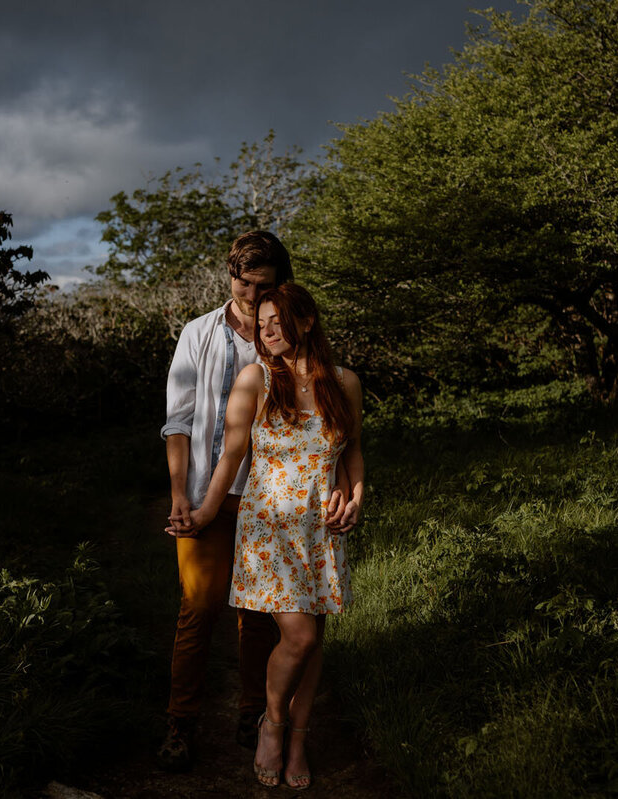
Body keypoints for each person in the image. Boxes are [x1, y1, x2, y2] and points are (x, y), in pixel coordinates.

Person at [184, 283, 364, 790]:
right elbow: (232, 456)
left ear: (306, 322)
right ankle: (272, 724)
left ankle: (299, 742)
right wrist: (204, 514)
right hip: (270, 530)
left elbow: (350, 454)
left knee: (312, 642)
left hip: (322, 530)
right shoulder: (255, 379)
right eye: (261, 322)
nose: (266, 330)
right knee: (299, 635)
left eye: (276, 320)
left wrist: (354, 499)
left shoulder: (344, 382)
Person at [156, 230, 292, 772]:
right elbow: (178, 420)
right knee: (198, 609)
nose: (250, 295)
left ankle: (253, 713)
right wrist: (178, 496)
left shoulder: (286, 334)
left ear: (279, 283)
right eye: (242, 281)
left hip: (268, 498)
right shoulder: (198, 333)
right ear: (229, 274)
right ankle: (180, 722)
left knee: (257, 614)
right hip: (202, 495)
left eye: (263, 286)